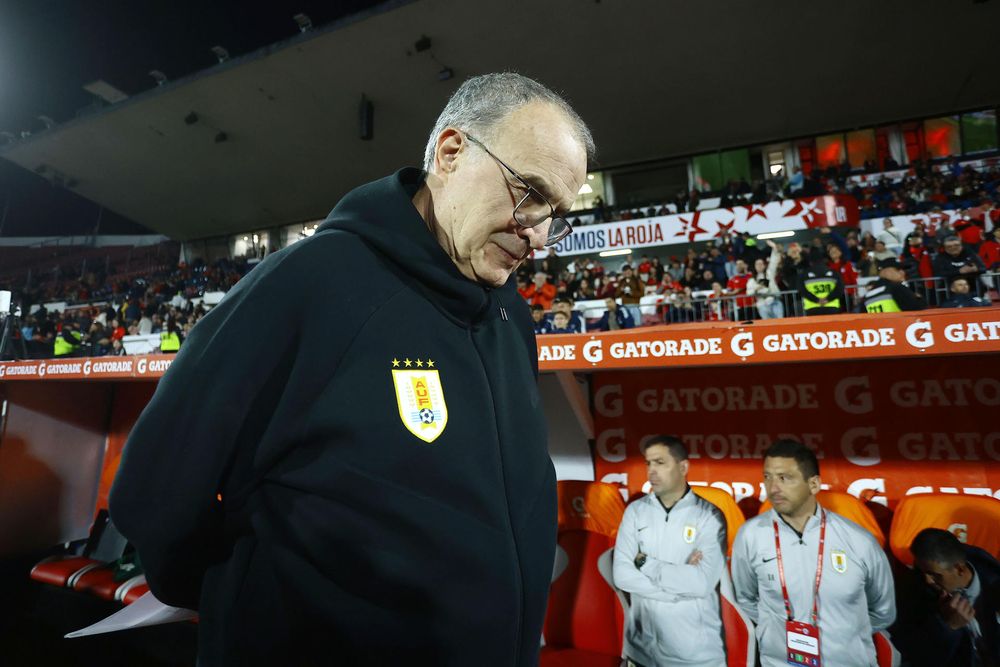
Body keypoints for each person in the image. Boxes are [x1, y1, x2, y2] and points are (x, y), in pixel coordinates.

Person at [109, 72, 593, 666]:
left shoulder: (512, 318)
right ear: (450, 152)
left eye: (558, 214)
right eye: (530, 193)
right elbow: (159, 484)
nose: (539, 234)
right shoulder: (310, 282)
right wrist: (239, 596)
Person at [731, 440, 896, 667]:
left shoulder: (859, 541)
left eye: (785, 478)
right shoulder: (750, 535)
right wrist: (774, 630)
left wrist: (840, 633)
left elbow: (883, 611)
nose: (773, 488)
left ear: (814, 484)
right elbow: (745, 599)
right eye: (767, 477)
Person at [612, 436, 727, 667]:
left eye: (660, 463)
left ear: (683, 467)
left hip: (694, 655)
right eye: (648, 463)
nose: (652, 471)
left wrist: (646, 564)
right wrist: (675, 590)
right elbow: (622, 575)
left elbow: (700, 584)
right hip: (639, 649)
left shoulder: (709, 516)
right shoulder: (635, 511)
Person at [892, 528, 1000, 667]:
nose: (928, 581)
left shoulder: (994, 583)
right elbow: (916, 656)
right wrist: (947, 627)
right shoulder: (913, 591)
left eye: (934, 575)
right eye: (922, 571)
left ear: (960, 569)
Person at [862, 258, 927, 313]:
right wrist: (919, 299)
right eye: (898, 269)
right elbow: (918, 310)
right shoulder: (896, 288)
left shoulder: (867, 295)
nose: (903, 273)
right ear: (886, 272)